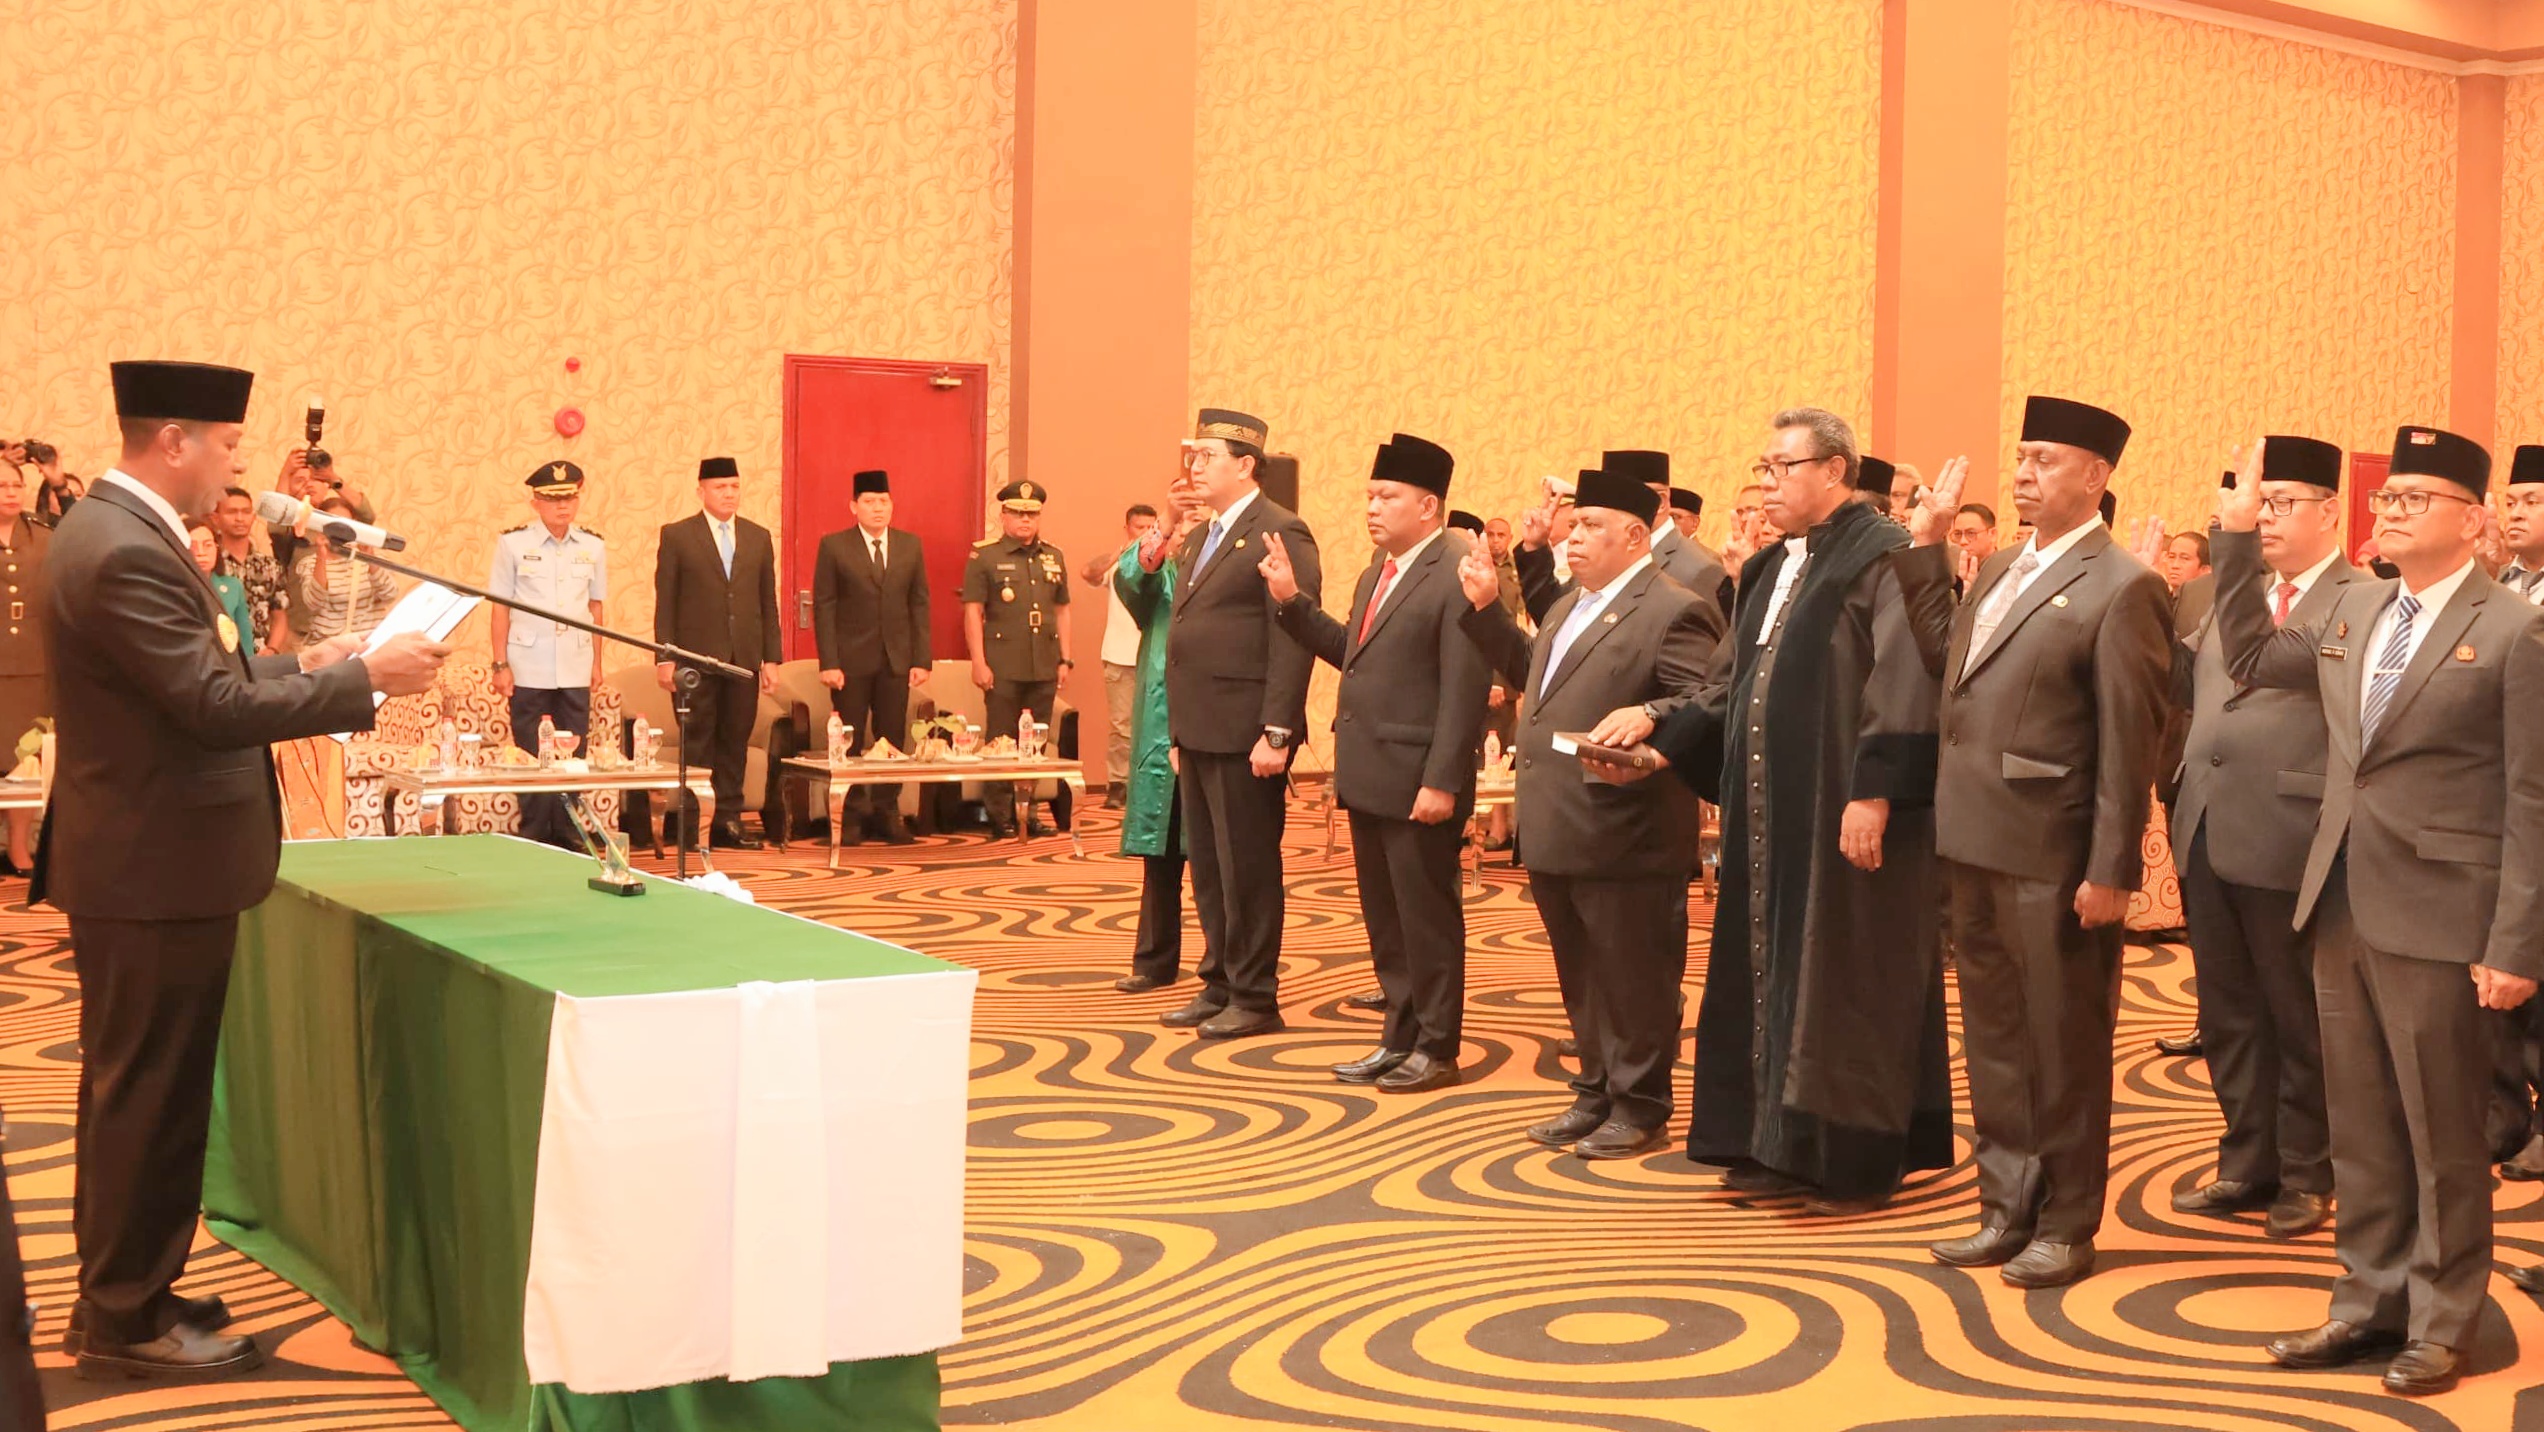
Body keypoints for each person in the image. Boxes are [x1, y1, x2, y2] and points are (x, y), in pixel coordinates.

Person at [35, 359, 446, 1380]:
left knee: (150, 1092)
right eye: (227, 447)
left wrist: (309, 662)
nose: (237, 469)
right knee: (146, 1096)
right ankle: (124, 1319)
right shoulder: (121, 548)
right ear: (173, 441)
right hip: (151, 868)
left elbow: (201, 675)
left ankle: (135, 1288)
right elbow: (209, 709)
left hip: (152, 862)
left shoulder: (117, 531)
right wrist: (366, 679)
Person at [2214, 428, 2544, 1396]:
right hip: (2342, 897)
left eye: (2415, 498)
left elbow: (2532, 797)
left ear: (2473, 521)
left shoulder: (2514, 629)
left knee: (2442, 1130)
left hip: (2446, 913)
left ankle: (2443, 1319)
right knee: (2360, 1121)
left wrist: (2517, 941)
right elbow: (2248, 656)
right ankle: (2366, 1301)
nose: (2389, 510)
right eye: (2387, 496)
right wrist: (2235, 540)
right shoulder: (2354, 606)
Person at [1607, 409, 1959, 1213]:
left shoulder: (1885, 555)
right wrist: (1663, 738)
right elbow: (1731, 684)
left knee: (1847, 978)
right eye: (1762, 468)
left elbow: (1906, 675)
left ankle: (1851, 1160)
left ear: (1834, 471)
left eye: (1781, 467)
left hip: (1848, 808)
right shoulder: (1770, 567)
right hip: (1769, 814)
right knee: (1765, 969)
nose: (1765, 483)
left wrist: (1875, 789)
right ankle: (1774, 1142)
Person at [1928, 395, 2171, 1290]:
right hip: (1975, 839)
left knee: (2063, 1045)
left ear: (2096, 476)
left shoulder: (2124, 586)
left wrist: (2112, 868)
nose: (2023, 474)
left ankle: (2067, 1222)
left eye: (2045, 460)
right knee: (1995, 1037)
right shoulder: (1997, 568)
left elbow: (2129, 742)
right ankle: (2006, 1206)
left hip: (2056, 854)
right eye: (2022, 457)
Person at [1455, 468, 1723, 1156]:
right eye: (1573, 525)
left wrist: (1651, 711)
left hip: (1626, 827)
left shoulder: (1674, 608)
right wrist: (1486, 610)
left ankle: (1641, 1104)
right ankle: (1597, 1091)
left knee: (1635, 976)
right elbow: (1539, 681)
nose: (1572, 537)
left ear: (1635, 536)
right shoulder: (1568, 605)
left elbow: (1705, 701)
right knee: (1582, 974)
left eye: (1590, 526)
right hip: (1558, 821)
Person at [2162, 436, 2354, 1242]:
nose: (2263, 517)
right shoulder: (2235, 593)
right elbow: (2188, 685)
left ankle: (2308, 1171)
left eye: (2281, 504)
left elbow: (2257, 661)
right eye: (2256, 506)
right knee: (2228, 1010)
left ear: (2331, 511)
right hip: (2208, 821)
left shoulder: (2358, 598)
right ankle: (2248, 1159)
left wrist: (2232, 544)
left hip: (2289, 832)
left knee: (2295, 1014)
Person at [1263, 435, 1491, 1092]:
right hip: (1370, 775)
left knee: (1427, 920)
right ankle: (1398, 1036)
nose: (1371, 507)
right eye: (1369, 496)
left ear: (1428, 506)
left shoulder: (1457, 568)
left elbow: (1464, 687)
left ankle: (1437, 1047)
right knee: (1387, 921)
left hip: (1419, 781)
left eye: (1386, 497)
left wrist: (1442, 780)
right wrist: (1291, 602)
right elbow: (1354, 654)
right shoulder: (1377, 571)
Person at [1158, 408, 1321, 1040]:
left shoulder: (1282, 530)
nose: (1194, 467)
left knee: (1247, 867)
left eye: (1207, 457)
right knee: (1208, 866)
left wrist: (1278, 730)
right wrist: (1177, 732)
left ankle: (1255, 995)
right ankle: (1219, 981)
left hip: (1246, 731)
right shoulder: (1202, 534)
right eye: (1193, 456)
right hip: (1199, 728)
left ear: (1246, 464)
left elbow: (1293, 635)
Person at [653, 456, 783, 850]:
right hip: (694, 660)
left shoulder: (758, 536)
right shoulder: (678, 535)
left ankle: (728, 821)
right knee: (698, 743)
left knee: (734, 743)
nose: (729, 493)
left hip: (743, 658)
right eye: (719, 487)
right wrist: (664, 657)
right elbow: (666, 600)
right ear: (701, 491)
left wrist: (771, 658)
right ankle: (693, 825)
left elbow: (767, 602)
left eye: (734, 486)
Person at [1112, 477, 1209, 992]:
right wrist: (1166, 522)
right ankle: (1154, 961)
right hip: (1161, 720)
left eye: (1198, 520)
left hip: (1212, 724)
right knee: (1162, 850)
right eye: (1181, 523)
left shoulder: (1231, 574)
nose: (1188, 530)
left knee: (1215, 856)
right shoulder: (1160, 578)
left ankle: (1222, 968)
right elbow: (1129, 575)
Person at [489, 462, 608, 850]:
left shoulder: (593, 546)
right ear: (535, 502)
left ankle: (569, 832)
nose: (563, 506)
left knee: (573, 752)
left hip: (575, 662)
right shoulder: (513, 544)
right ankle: (535, 834)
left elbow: (596, 608)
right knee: (531, 752)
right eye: (554, 499)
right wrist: (500, 663)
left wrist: (597, 662)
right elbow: (500, 607)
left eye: (570, 498)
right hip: (529, 665)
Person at [817, 469, 932, 844]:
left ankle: (887, 811)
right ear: (854, 506)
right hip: (849, 662)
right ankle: (850, 815)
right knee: (847, 739)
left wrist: (921, 659)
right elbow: (825, 606)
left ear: (892, 505)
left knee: (891, 738)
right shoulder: (834, 546)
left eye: (883, 501)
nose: (877, 508)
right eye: (869, 502)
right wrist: (829, 662)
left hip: (896, 660)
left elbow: (919, 604)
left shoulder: (910, 545)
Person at [961, 480, 1073, 837]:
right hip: (1003, 663)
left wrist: (1065, 659)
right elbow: (973, 612)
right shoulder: (985, 556)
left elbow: (1062, 609)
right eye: (1018, 513)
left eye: (1032, 514)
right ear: (1004, 515)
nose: (1026, 520)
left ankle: (1029, 810)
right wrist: (978, 661)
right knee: (1001, 740)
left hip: (1043, 663)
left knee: (1034, 742)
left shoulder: (1053, 556)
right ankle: (998, 813)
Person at [1083, 503, 1160, 809]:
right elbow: (1088, 573)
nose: (1146, 532)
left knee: (1155, 724)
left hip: (1156, 656)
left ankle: (1150, 786)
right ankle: (1119, 784)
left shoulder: (1164, 561)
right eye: (1140, 527)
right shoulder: (1118, 564)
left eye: (1152, 527)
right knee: (1122, 726)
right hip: (1119, 656)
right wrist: (1120, 553)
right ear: (1127, 528)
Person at [0, 473, 48, 874]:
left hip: (33, 665)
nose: (11, 492)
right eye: (0, 486)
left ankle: (18, 849)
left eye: (16, 485)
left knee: (25, 759)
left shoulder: (43, 537)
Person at [288, 492, 400, 647]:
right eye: (334, 524)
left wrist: (369, 557)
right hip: (327, 648)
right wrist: (321, 555)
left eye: (346, 523)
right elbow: (313, 602)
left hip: (368, 646)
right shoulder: (309, 563)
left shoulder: (375, 558)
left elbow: (389, 594)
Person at [210, 486, 290, 652]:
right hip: (221, 653)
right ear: (216, 518)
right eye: (231, 512)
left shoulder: (270, 566)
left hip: (260, 655)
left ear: (253, 517)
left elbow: (279, 616)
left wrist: (272, 649)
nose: (240, 518)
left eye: (246, 512)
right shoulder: (210, 564)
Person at [189, 521, 257, 651]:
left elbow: (245, 639)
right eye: (193, 546)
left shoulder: (233, 586)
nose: (201, 552)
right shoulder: (173, 587)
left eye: (208, 545)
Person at [25, 441, 81, 528]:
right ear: (46, 501)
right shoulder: (33, 527)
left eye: (78, 495)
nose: (74, 499)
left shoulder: (86, 526)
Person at [1481, 514, 1526, 622]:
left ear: (1510, 538)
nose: (1495, 540)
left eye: (1501, 535)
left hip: (1513, 627)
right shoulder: (1477, 567)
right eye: (1490, 535)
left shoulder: (1521, 568)